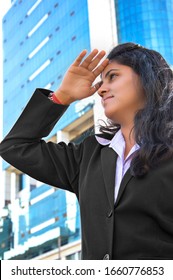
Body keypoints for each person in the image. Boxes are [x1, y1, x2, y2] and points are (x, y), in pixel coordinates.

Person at [0, 42, 173, 260]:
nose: (100, 89)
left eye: (113, 76)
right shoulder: (89, 156)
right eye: (101, 81)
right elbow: (16, 146)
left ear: (146, 78)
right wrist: (63, 95)